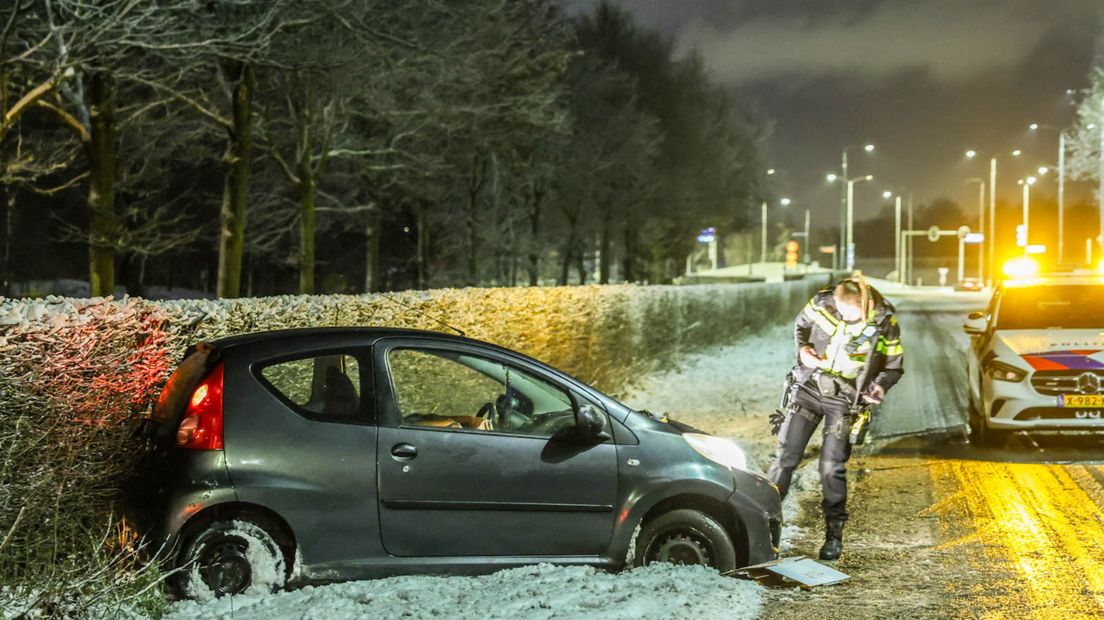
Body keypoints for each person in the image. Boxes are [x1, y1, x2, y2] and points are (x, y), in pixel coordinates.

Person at [767, 275, 903, 561]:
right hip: (808, 388)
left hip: (843, 399)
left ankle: (833, 536)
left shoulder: (884, 322)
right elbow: (801, 326)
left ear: (864, 304)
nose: (845, 317)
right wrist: (803, 350)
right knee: (785, 458)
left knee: (831, 467)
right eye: (840, 311)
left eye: (851, 313)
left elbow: (894, 365)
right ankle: (765, 528)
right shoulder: (822, 302)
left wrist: (879, 385)